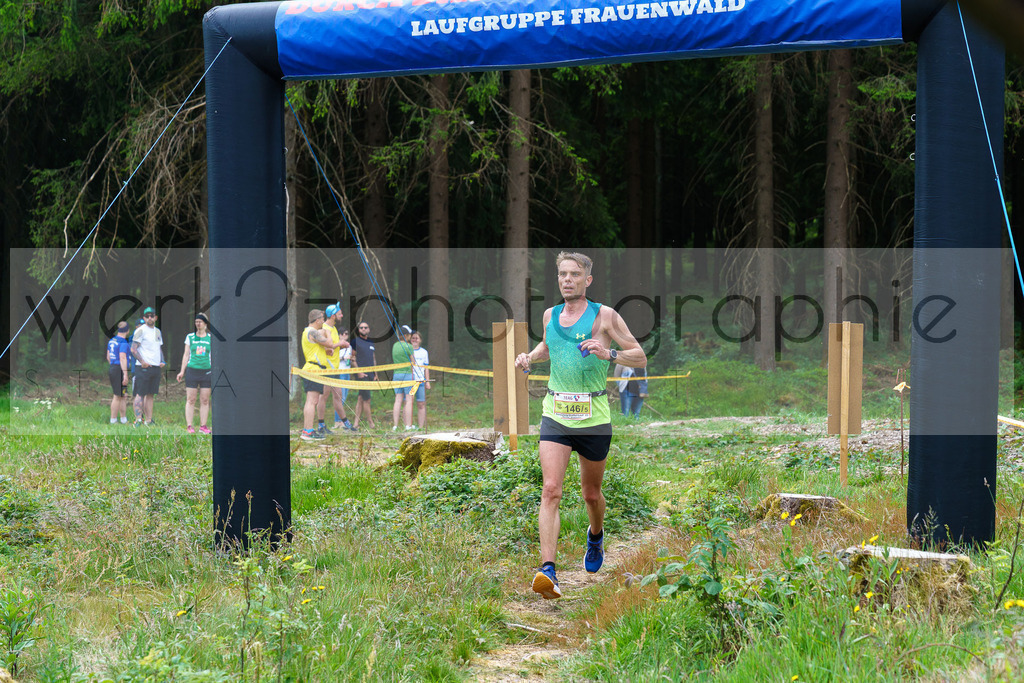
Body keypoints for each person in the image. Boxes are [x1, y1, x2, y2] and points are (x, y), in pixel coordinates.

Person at [514, 251, 646, 599]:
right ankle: (548, 570)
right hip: (555, 412)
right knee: (551, 490)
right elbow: (548, 345)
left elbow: (639, 355)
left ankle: (596, 534)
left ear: (587, 280)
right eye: (562, 274)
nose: (567, 279)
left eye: (574, 274)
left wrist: (609, 354)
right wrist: (530, 356)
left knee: (591, 494)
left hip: (594, 418)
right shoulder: (550, 315)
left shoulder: (605, 316)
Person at [319, 303, 354, 432]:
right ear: (333, 315)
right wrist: (339, 344)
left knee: (338, 396)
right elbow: (326, 346)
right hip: (326, 368)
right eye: (340, 313)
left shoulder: (333, 328)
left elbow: (331, 347)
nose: (342, 315)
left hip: (335, 368)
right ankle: (321, 424)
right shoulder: (323, 328)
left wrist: (340, 345)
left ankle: (345, 422)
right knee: (323, 396)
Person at [176, 313, 213, 434]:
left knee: (205, 400)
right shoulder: (190, 337)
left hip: (206, 371)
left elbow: (213, 356)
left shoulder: (210, 338)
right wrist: (182, 371)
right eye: (196, 322)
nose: (198, 324)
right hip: (192, 370)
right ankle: (189, 426)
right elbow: (186, 355)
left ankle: (203, 426)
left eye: (200, 322)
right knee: (191, 399)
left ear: (205, 324)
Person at [300, 309, 334, 441]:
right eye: (322, 318)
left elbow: (316, 348)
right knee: (312, 401)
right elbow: (329, 343)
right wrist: (328, 332)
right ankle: (307, 431)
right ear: (317, 320)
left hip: (315, 369)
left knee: (312, 400)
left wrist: (325, 352)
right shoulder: (312, 331)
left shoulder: (307, 332)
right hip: (313, 369)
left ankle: (308, 429)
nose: (324, 321)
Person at [131, 306, 165, 426]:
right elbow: (133, 349)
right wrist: (142, 361)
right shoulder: (140, 330)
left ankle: (149, 420)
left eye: (151, 316)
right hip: (143, 367)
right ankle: (138, 419)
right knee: (140, 393)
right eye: (147, 316)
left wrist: (162, 360)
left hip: (155, 367)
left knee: (151, 394)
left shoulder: (157, 331)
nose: (149, 318)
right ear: (144, 318)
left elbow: (159, 348)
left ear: (155, 317)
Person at [350, 320, 378, 431]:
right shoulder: (355, 341)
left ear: (369, 329)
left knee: (361, 398)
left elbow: (374, 358)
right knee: (367, 399)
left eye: (365, 327)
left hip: (371, 374)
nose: (363, 329)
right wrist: (359, 372)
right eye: (361, 328)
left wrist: (376, 373)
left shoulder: (371, 342)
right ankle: (371, 423)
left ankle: (355, 424)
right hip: (361, 375)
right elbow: (352, 358)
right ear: (358, 330)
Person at [391, 325, 416, 431]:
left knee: (398, 400)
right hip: (406, 374)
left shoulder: (395, 346)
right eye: (410, 335)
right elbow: (413, 362)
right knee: (409, 400)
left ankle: (395, 425)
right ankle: (408, 425)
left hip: (396, 374)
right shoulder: (409, 346)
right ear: (406, 335)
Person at [106, 321, 131, 424]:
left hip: (113, 367)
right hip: (119, 369)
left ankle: (123, 419)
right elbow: (122, 357)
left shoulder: (112, 341)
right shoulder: (123, 343)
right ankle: (113, 420)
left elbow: (108, 357)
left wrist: (113, 366)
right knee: (117, 396)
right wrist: (125, 374)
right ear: (128, 331)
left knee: (123, 395)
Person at [411, 331, 431, 430]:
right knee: (409, 402)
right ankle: (408, 425)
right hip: (410, 381)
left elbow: (426, 367)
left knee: (421, 403)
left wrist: (427, 381)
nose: (414, 340)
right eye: (413, 338)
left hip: (421, 381)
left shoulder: (424, 352)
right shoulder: (408, 350)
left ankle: (421, 426)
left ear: (420, 340)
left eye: (416, 338)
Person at [333, 328, 353, 428]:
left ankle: (340, 421)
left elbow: (350, 357)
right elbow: (332, 357)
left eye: (346, 333)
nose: (345, 335)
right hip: (339, 372)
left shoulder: (349, 346)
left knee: (344, 397)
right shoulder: (336, 345)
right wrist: (342, 358)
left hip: (347, 372)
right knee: (340, 397)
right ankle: (338, 421)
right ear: (339, 335)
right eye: (343, 334)